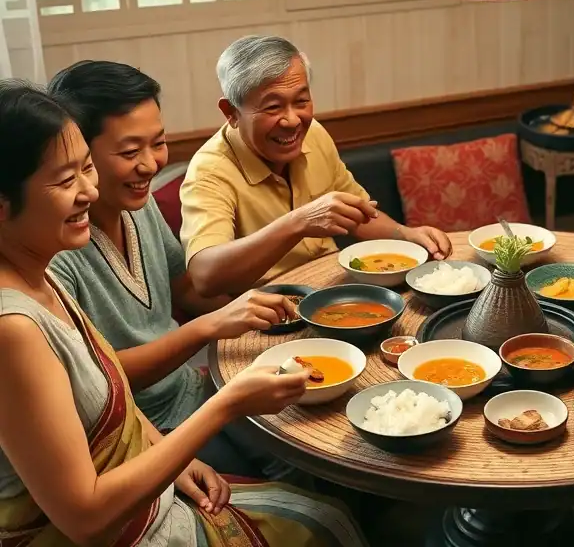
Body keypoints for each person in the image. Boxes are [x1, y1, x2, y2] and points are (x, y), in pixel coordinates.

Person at [0, 80, 368, 546]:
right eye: (65, 180)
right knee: (322, 520)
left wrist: (172, 457)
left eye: (86, 171)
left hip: (154, 466)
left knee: (326, 507)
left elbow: (175, 307)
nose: (89, 193)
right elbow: (84, 519)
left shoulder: (39, 271)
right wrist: (225, 403)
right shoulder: (15, 328)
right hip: (117, 529)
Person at [46, 60, 309, 483]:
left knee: (305, 438)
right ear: (77, 153)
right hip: (137, 429)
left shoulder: (138, 204)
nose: (150, 165)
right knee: (293, 476)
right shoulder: (55, 253)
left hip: (190, 388)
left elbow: (183, 289)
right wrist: (208, 327)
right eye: (130, 152)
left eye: (159, 143)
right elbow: (95, 381)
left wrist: (262, 313)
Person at [179, 35, 452, 296]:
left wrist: (406, 235)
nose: (292, 121)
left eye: (301, 101)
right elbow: (205, 276)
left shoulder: (314, 133)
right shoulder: (209, 172)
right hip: (269, 315)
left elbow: (359, 211)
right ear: (231, 113)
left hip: (333, 290)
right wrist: (298, 223)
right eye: (273, 107)